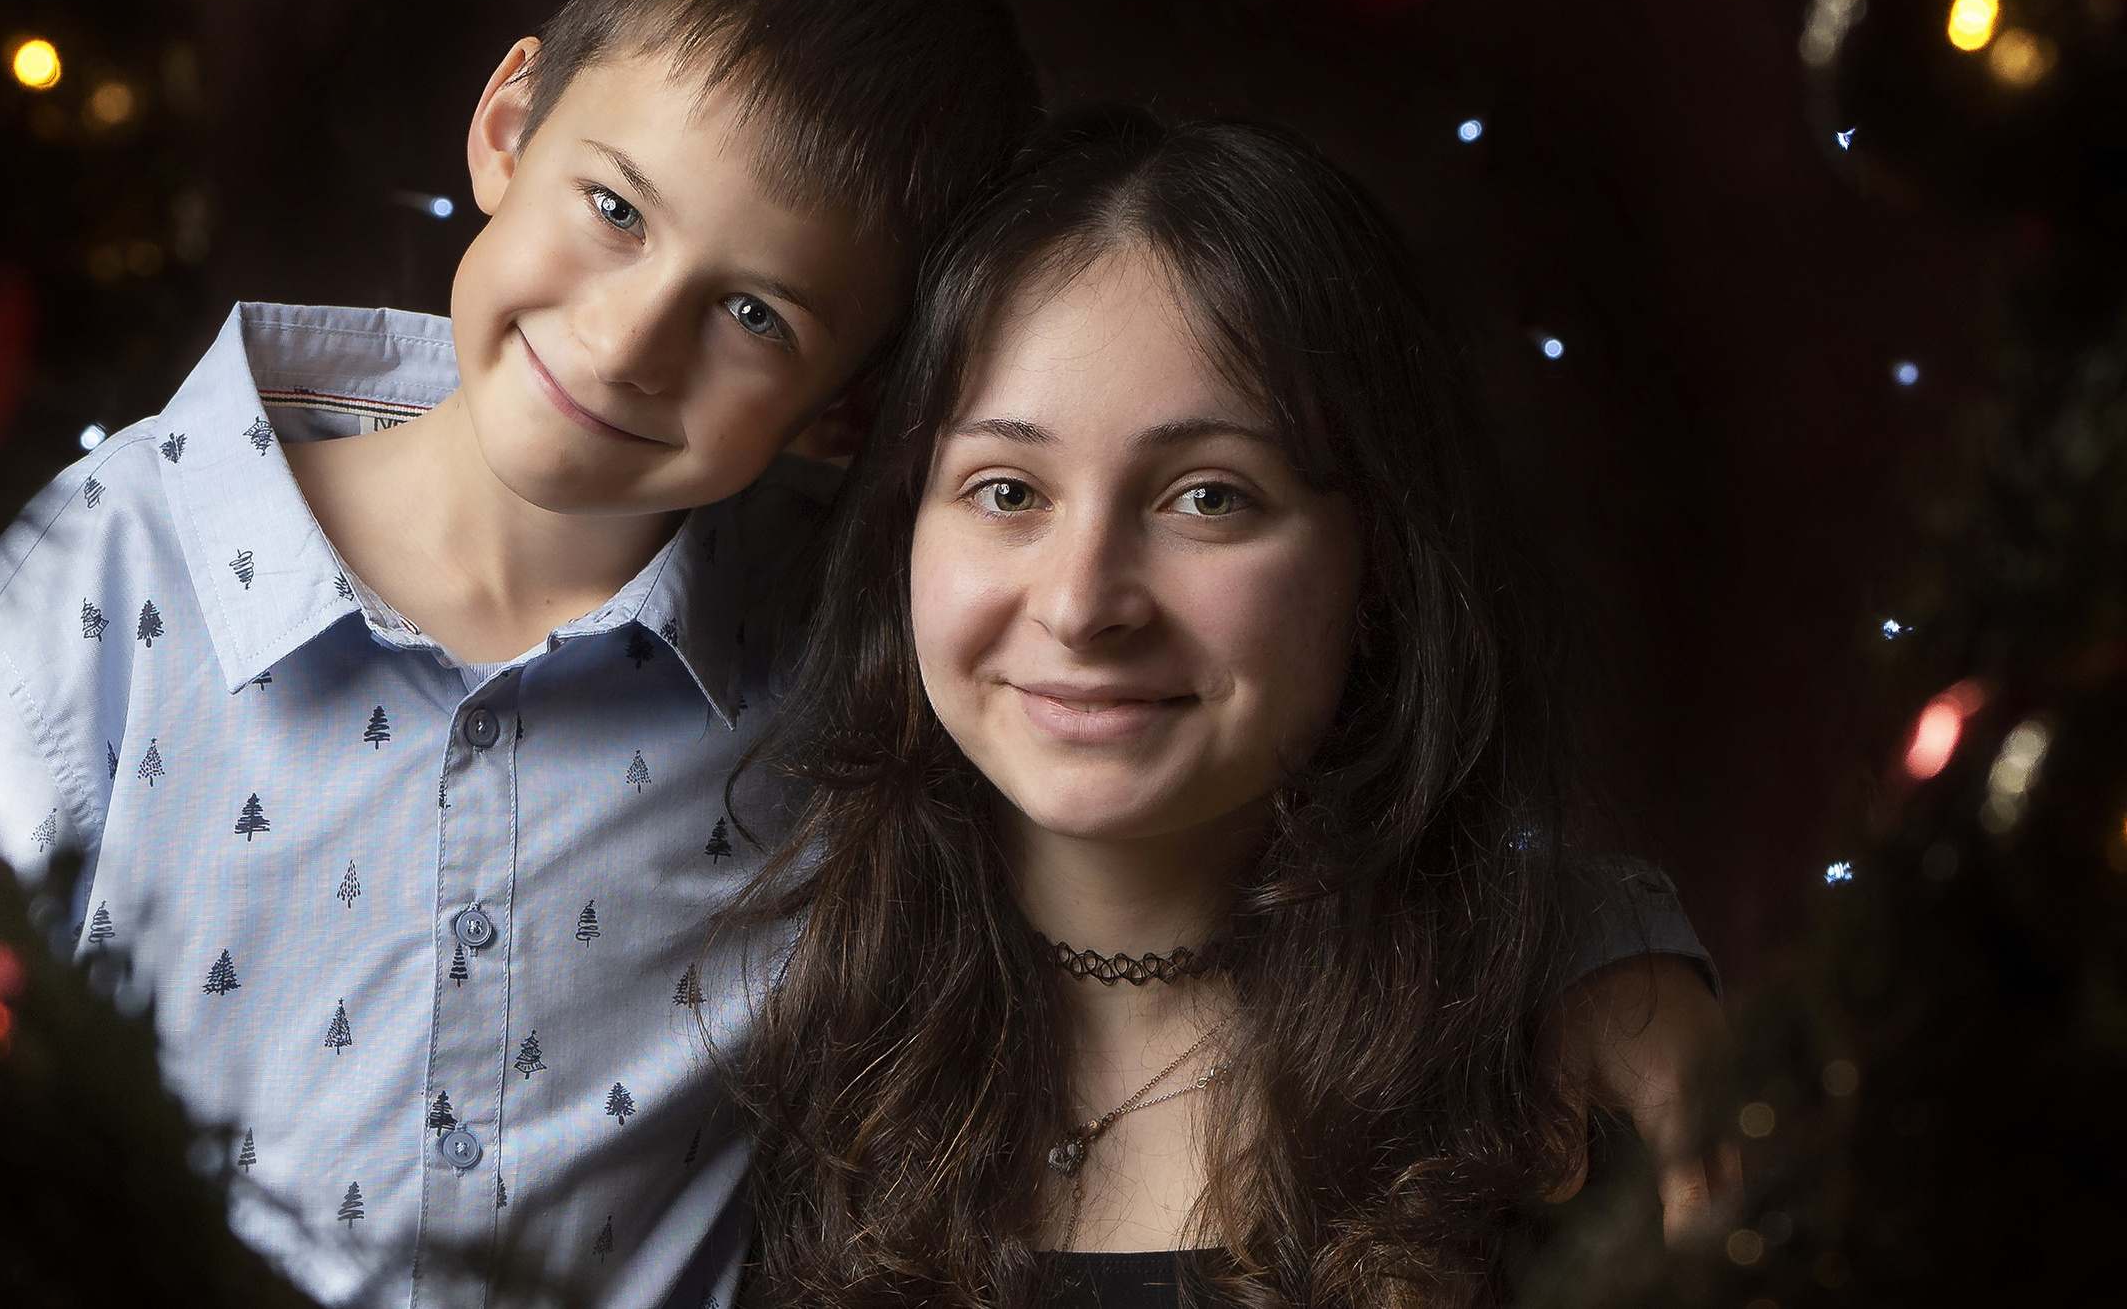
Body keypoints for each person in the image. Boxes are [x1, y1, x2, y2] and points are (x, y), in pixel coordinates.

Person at [0, 0, 1714, 1309]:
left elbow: (1263, 809)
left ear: (844, 413)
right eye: (615, 209)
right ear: (509, 124)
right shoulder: (99, 586)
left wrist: (1599, 949)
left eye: (755, 312)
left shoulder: (822, 649)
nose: (632, 339)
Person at [729, 107, 1731, 1309]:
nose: (1082, 605)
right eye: (1006, 490)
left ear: (1381, 555)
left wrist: (1586, 944)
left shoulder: (1567, 1085)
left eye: (1208, 497)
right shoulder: (749, 1017)